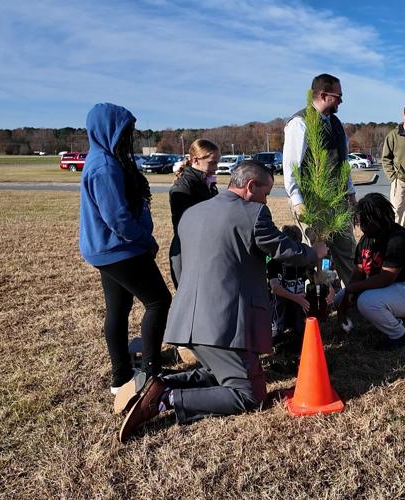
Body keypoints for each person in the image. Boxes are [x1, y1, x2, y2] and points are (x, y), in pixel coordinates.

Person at [118, 160, 327, 442]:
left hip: (187, 319)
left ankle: (161, 383)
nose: (266, 200)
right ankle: (165, 399)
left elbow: (177, 262)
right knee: (249, 394)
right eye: (265, 193)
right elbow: (282, 249)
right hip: (222, 322)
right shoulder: (254, 214)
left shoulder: (192, 213)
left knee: (217, 372)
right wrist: (314, 252)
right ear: (251, 186)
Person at [78, 103, 172, 394]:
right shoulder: (104, 167)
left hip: (107, 250)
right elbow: (117, 218)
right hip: (120, 249)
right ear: (108, 131)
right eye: (125, 131)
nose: (129, 138)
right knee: (158, 301)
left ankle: (121, 378)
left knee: (118, 308)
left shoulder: (103, 159)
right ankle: (151, 373)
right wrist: (146, 240)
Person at [283, 73, 357, 287]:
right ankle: (323, 297)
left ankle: (353, 296)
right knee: (320, 255)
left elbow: (343, 163)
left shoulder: (336, 123)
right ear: (324, 95)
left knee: (347, 250)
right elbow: (291, 167)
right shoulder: (300, 123)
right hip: (312, 202)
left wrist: (350, 193)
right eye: (338, 96)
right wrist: (298, 201)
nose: (341, 101)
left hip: (339, 200)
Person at [336, 193, 405, 350]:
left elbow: (385, 278)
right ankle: (388, 314)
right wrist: (343, 307)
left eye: (365, 222)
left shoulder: (399, 239)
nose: (362, 227)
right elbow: (358, 272)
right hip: (390, 289)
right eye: (360, 222)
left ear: (379, 219)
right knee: (339, 299)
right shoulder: (366, 239)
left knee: (367, 301)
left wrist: (353, 289)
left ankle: (398, 335)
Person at [168, 139, 220, 285]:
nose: (216, 168)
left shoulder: (207, 184)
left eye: (217, 163)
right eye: (212, 163)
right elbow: (182, 225)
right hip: (188, 252)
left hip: (205, 248)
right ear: (196, 160)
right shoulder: (183, 188)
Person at [268, 225, 310, 344]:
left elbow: (317, 277)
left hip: (298, 307)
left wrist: (330, 288)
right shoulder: (274, 262)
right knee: (275, 339)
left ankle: (297, 327)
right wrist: (297, 298)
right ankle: (277, 327)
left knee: (301, 335)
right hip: (280, 309)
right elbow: (275, 288)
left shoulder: (302, 261)